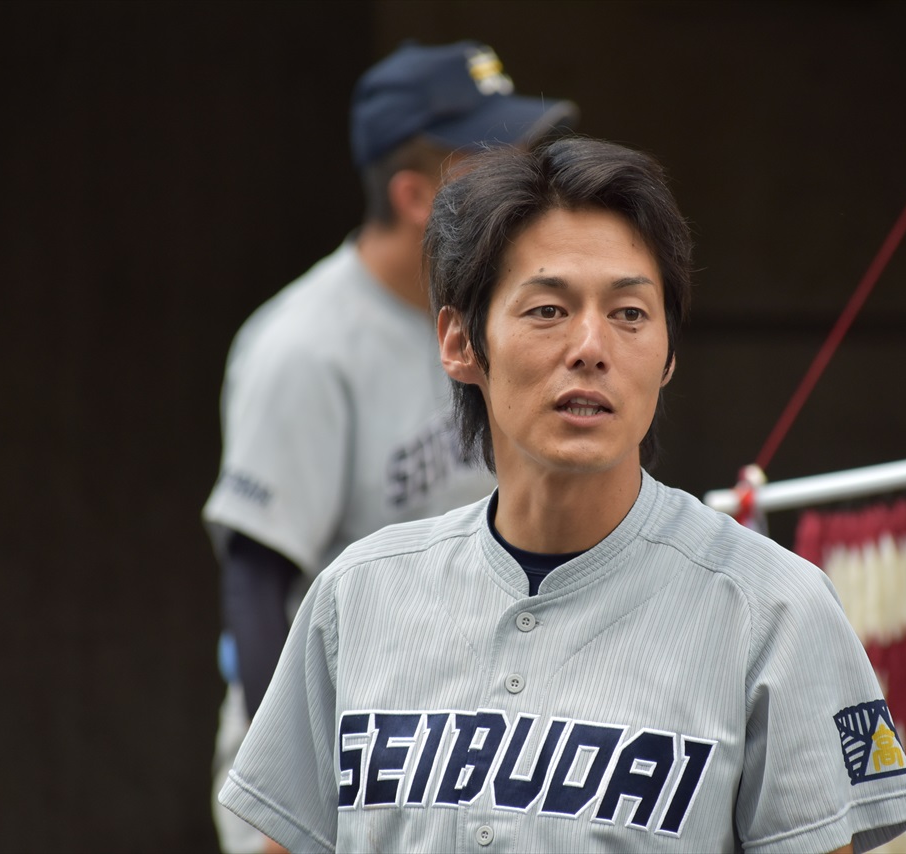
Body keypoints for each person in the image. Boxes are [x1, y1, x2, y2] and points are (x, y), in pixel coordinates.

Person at [216, 136, 906, 853]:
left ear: (669, 353)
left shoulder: (774, 610)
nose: (591, 346)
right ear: (460, 342)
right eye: (548, 309)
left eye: (630, 314)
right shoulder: (357, 596)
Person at [202, 41, 578, 853]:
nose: (526, 181)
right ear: (415, 196)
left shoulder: (502, 317)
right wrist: (297, 796)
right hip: (340, 755)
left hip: (457, 747)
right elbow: (258, 583)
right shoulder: (304, 347)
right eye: (496, 162)